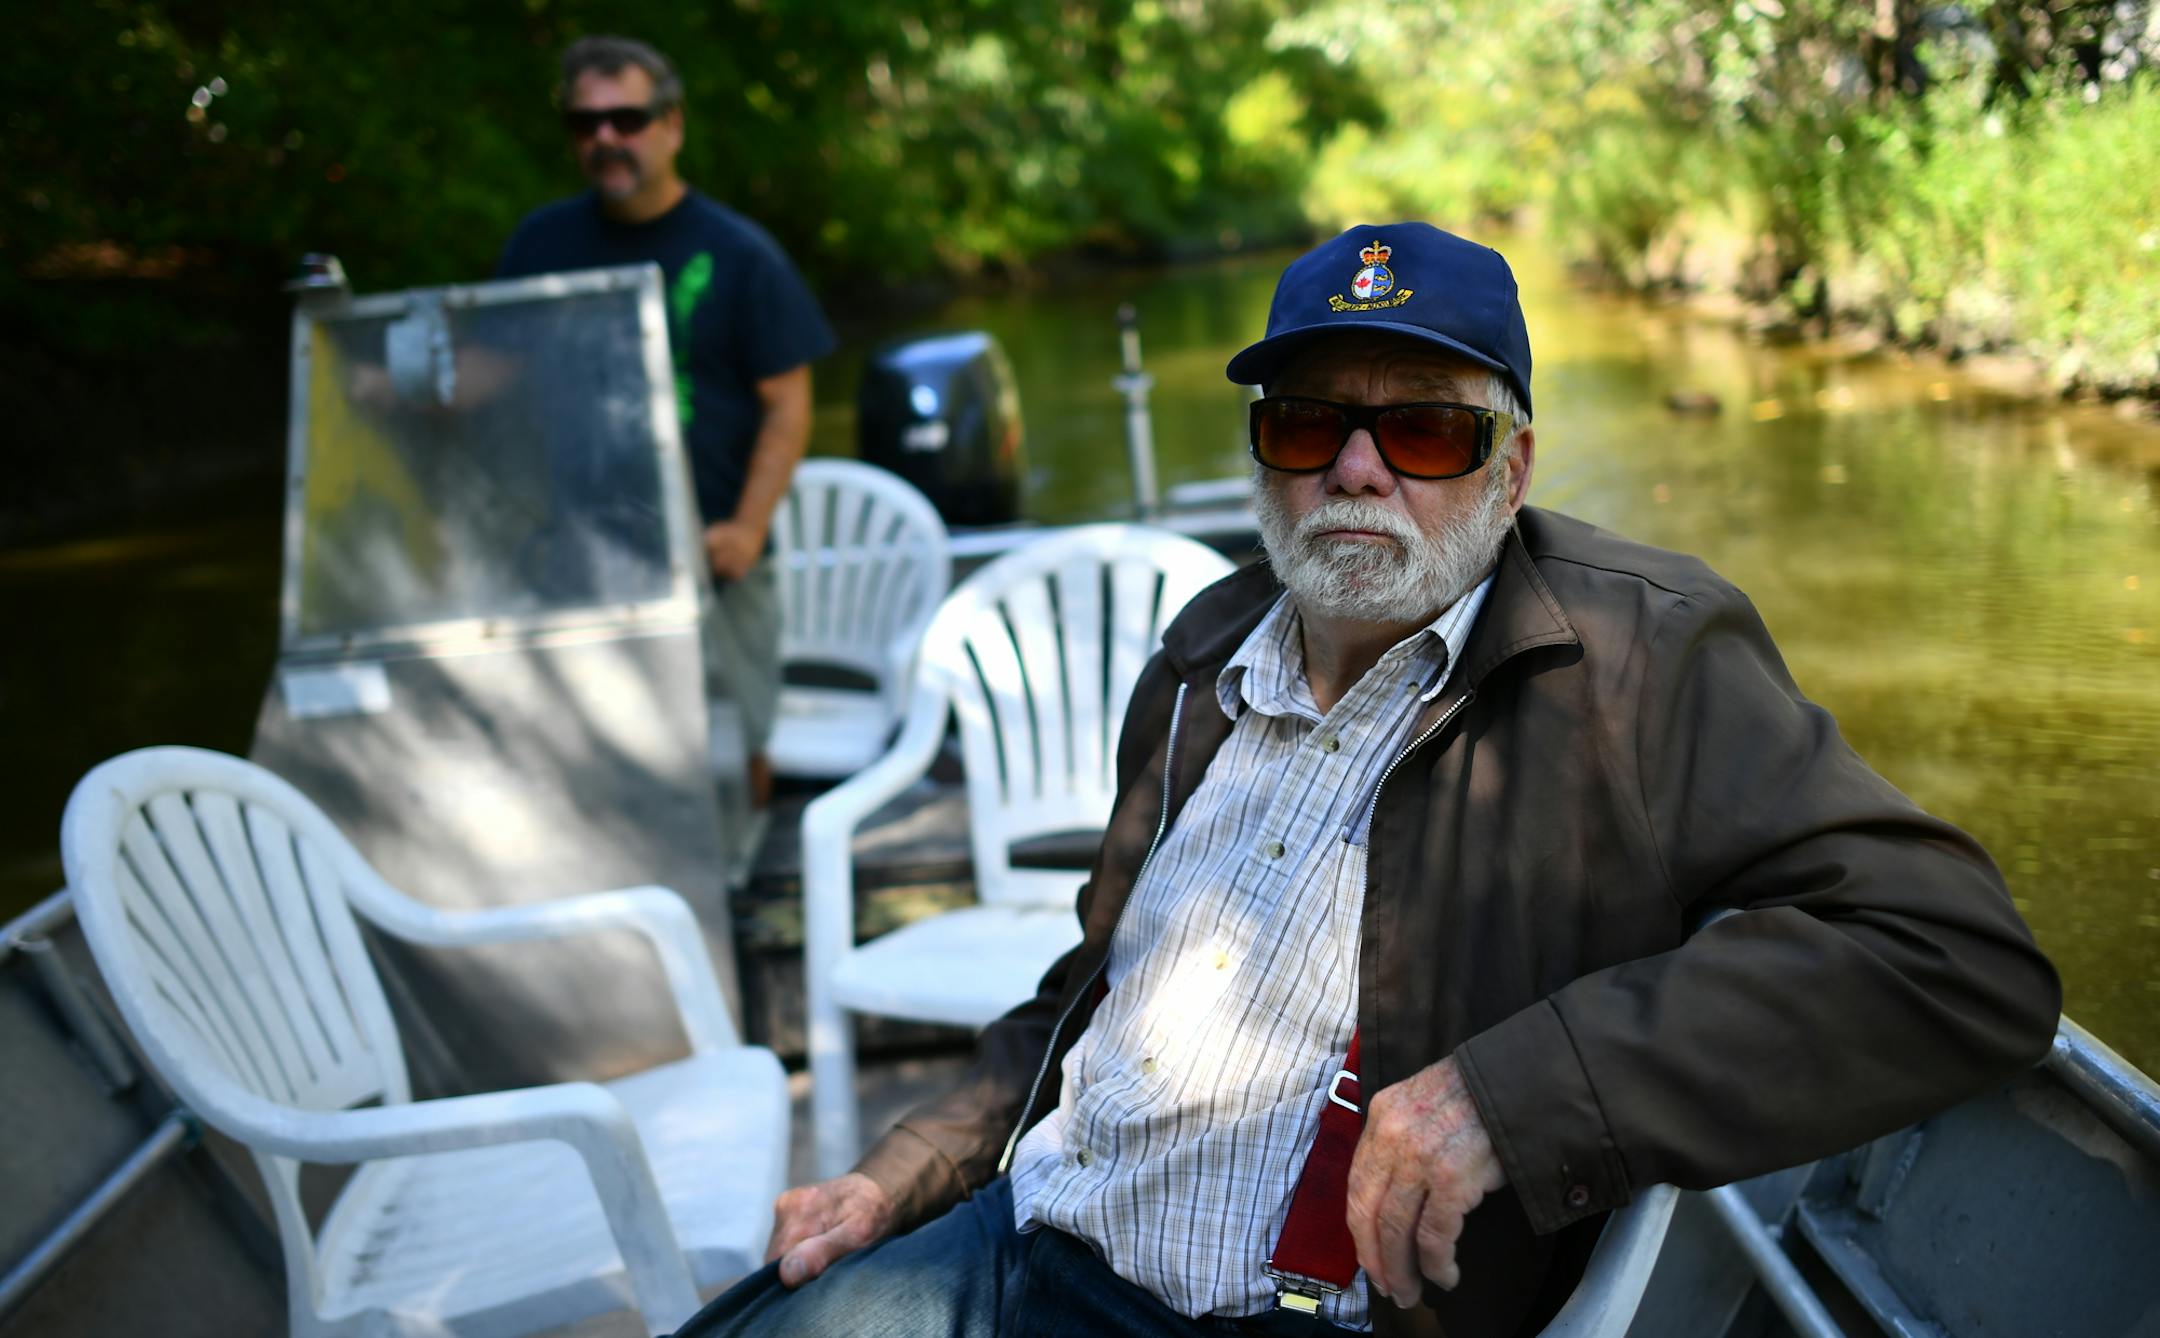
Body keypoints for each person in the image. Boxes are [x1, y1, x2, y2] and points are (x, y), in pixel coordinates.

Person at [677, 223, 2061, 1337]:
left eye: (1426, 432)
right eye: (1309, 426)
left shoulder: (1642, 656)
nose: (1356, 468)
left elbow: (1953, 957)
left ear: (1510, 469)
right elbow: (1089, 991)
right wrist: (897, 1171)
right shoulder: (1202, 649)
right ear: (1264, 459)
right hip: (1011, 1242)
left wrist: (1506, 1098)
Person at [496, 35, 834, 808]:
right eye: (587, 125)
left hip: (717, 554)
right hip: (581, 553)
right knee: (596, 753)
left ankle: (743, 897)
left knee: (737, 741)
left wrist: (747, 529)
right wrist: (381, 373)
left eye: (627, 118)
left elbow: (788, 403)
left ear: (672, 125)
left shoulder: (741, 254)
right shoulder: (540, 244)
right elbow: (493, 375)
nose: (607, 138)